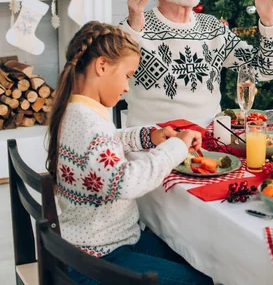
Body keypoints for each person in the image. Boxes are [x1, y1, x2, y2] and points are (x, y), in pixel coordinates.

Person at [46, 21, 212, 284]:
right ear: (102, 66)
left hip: (92, 245)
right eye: (127, 76)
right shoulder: (90, 125)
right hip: (98, 258)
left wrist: (149, 136)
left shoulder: (77, 113)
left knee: (192, 256)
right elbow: (127, 182)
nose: (127, 87)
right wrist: (176, 147)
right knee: (201, 280)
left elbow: (105, 145)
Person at [121, 0, 273, 127]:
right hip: (153, 143)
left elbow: (266, 70)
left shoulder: (212, 27)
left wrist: (268, 21)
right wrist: (132, 28)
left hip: (208, 140)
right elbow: (109, 72)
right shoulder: (136, 24)